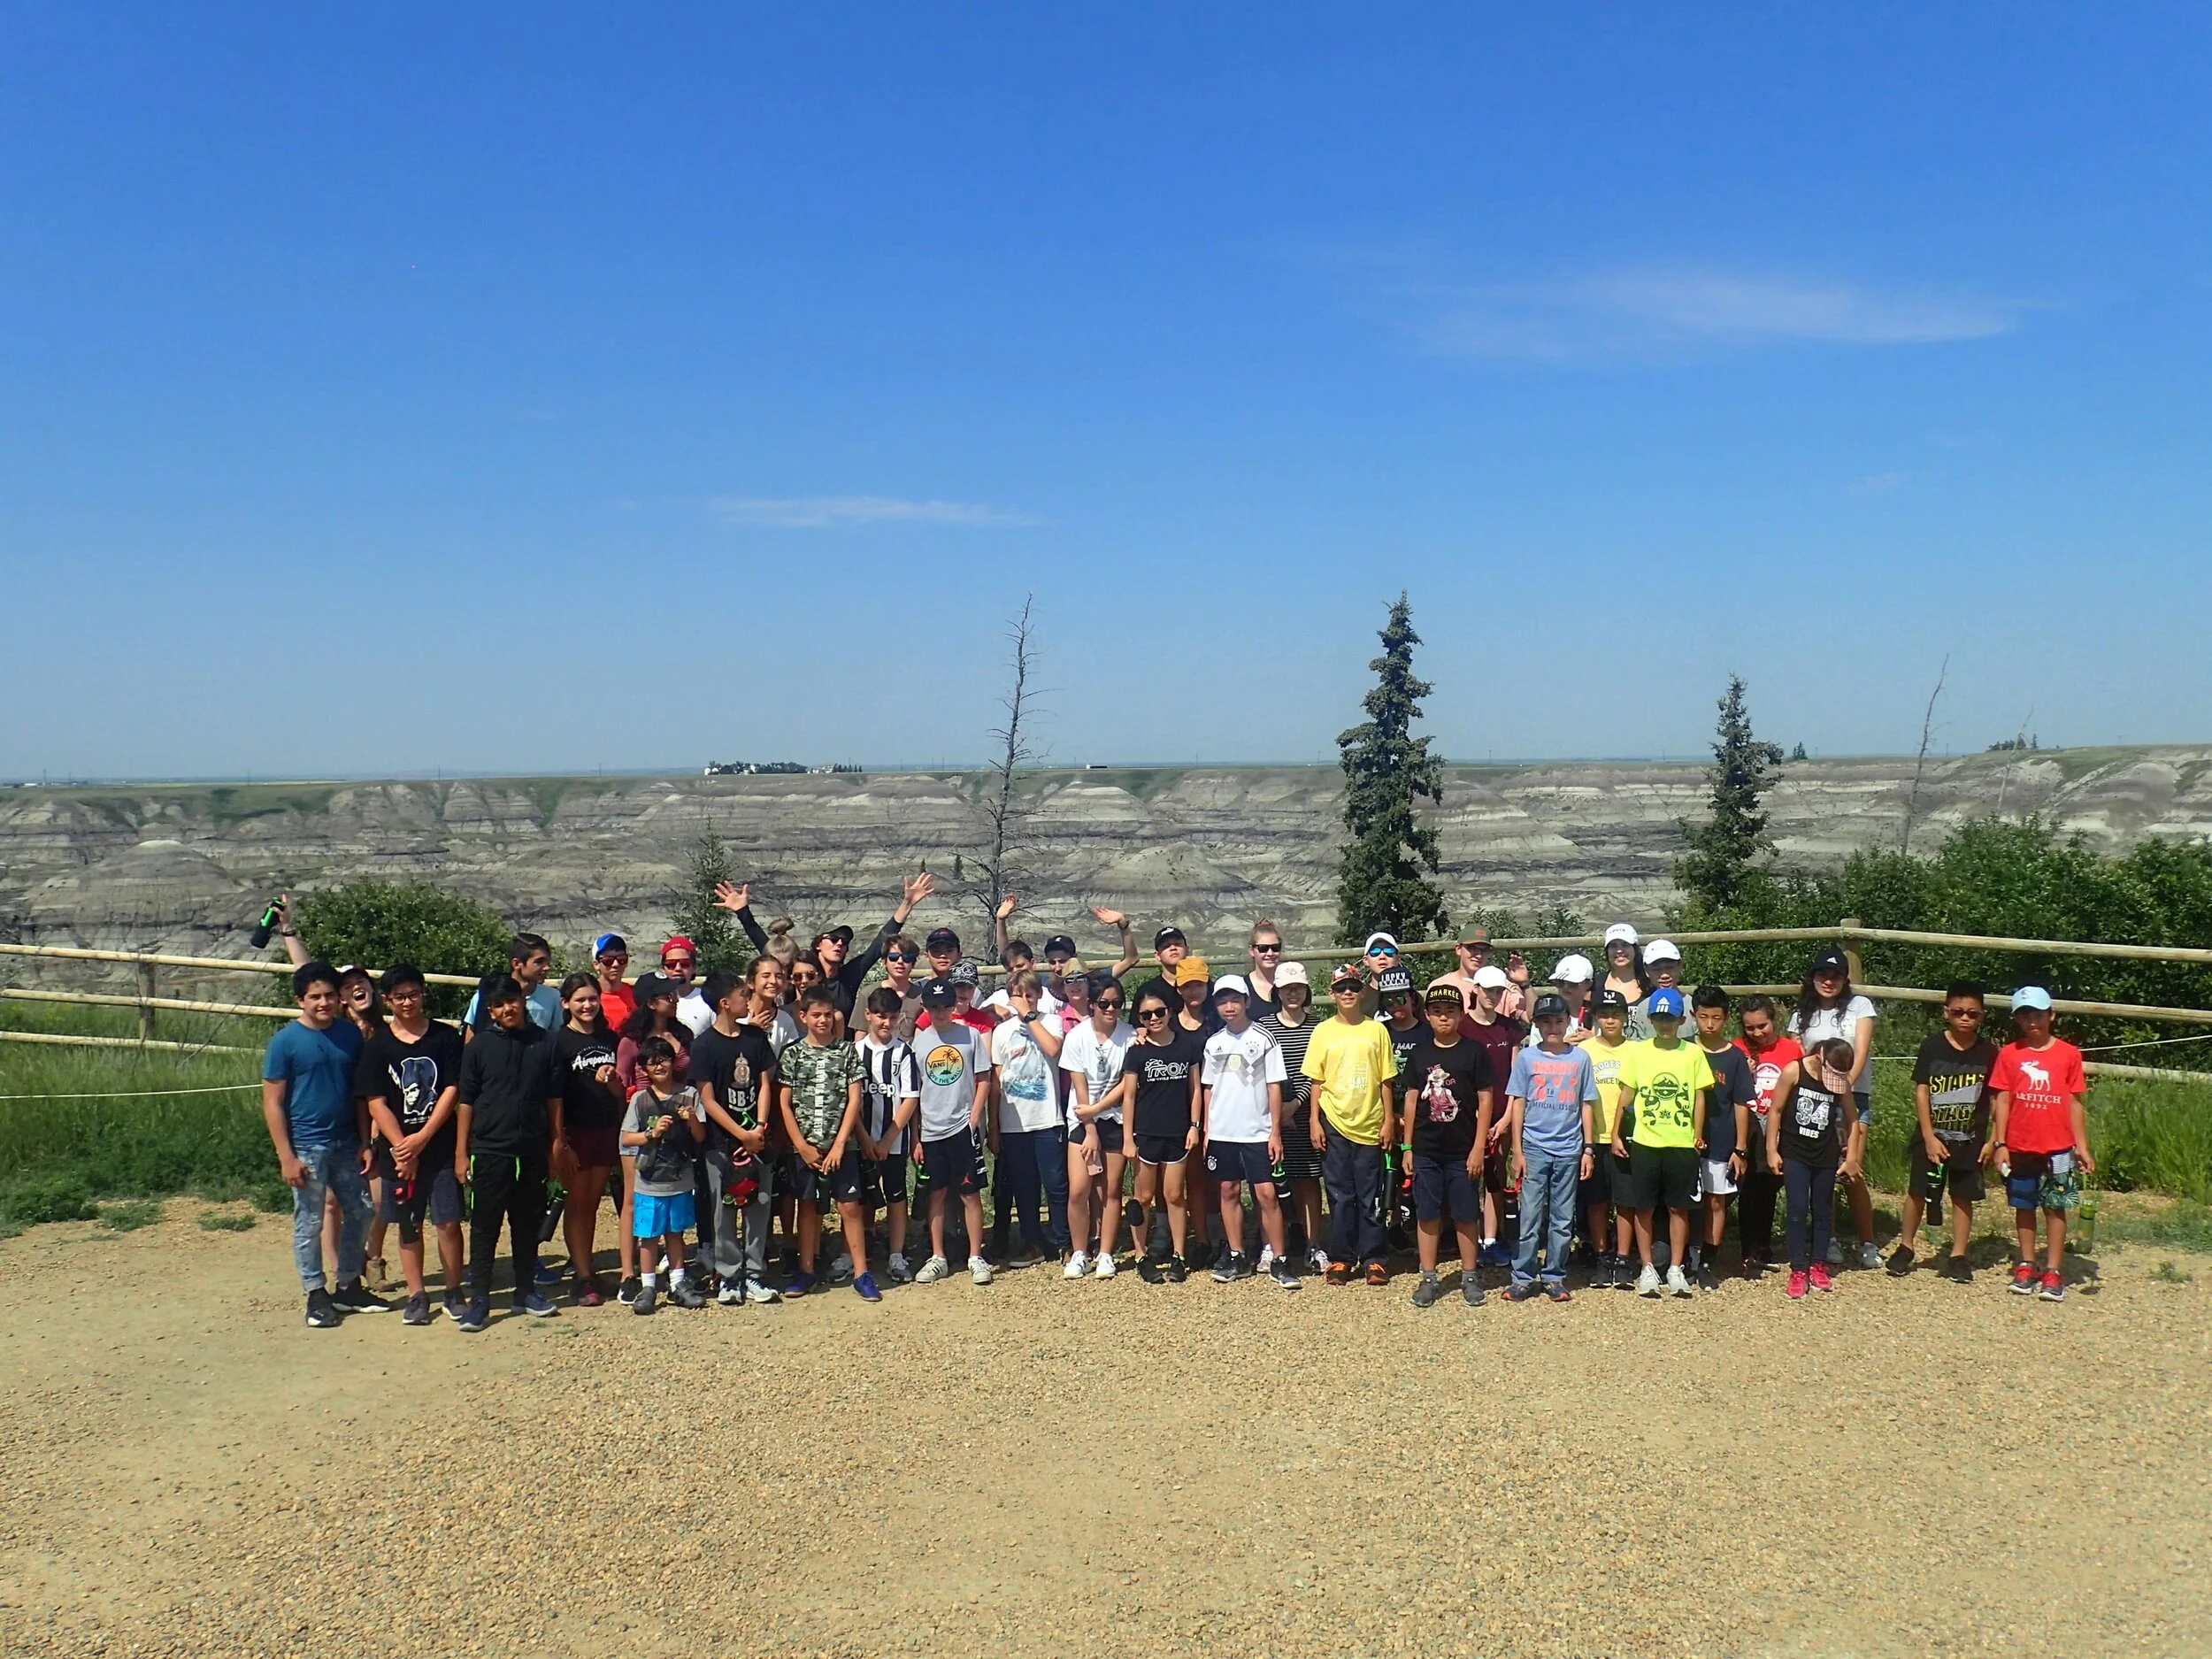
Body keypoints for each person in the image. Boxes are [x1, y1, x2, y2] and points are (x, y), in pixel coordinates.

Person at [262, 961, 382, 1327]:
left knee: (361, 1210)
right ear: (301, 1000)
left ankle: (348, 1284)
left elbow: (361, 1094)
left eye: (330, 995)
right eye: (315, 997)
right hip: (307, 1143)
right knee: (310, 1219)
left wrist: (365, 1140)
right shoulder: (285, 1042)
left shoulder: (349, 1036)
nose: (324, 1002)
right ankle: (315, 1292)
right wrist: (286, 1155)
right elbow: (273, 1101)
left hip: (346, 1139)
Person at [356, 963, 466, 1325]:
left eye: (414, 994)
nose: (408, 1002)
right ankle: (417, 1294)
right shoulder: (377, 1047)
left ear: (423, 993)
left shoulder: (445, 1037)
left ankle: (453, 1288)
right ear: (387, 1000)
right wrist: (403, 1146)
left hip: (440, 1146)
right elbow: (375, 1100)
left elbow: (452, 1089)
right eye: (399, 997)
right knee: (407, 1223)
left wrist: (422, 1138)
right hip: (397, 1150)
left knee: (449, 1221)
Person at [452, 973, 561, 1330]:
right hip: (489, 1149)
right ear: (491, 1011)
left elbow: (554, 1098)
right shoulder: (478, 1048)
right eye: (498, 1005)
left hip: (531, 1148)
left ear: (521, 1001)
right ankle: (480, 1299)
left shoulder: (545, 1043)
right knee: (485, 1227)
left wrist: (557, 1142)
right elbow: (466, 1101)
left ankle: (525, 1290)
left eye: (511, 1000)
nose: (507, 1008)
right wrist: (460, 1151)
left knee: (526, 1223)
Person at [1987, 987, 2093, 1303]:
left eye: (2037, 1014)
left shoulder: (2068, 1054)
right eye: (2024, 1015)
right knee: (2024, 1204)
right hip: (2020, 1145)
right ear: (2017, 1020)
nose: (2031, 1021)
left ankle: (2054, 1270)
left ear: (2051, 1015)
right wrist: (2000, 1142)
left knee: (2056, 1206)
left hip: (2058, 1147)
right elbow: (2002, 1099)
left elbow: (2074, 1102)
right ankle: (2026, 1263)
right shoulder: (2009, 1054)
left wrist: (2082, 1146)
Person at [716, 869, 936, 1018]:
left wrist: (907, 904)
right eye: (833, 938)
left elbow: (880, 940)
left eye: (845, 941)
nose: (840, 943)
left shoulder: (849, 977)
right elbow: (765, 948)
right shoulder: (801, 971)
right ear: (818, 944)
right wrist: (742, 912)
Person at [1892, 982, 1999, 1281]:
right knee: (1917, 1193)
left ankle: (1958, 1254)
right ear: (1946, 1013)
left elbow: (1996, 1097)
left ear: (1982, 1016)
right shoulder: (1932, 1046)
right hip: (1932, 1136)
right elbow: (1922, 1091)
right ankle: (1906, 1246)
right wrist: (1927, 1136)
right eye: (1958, 1012)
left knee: (1962, 1196)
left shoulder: (1989, 1051)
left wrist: (1994, 1139)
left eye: (1972, 1014)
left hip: (1970, 1138)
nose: (1965, 1018)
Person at [776, 986, 877, 1301]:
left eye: (828, 1014)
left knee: (850, 1206)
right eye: (815, 1015)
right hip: (804, 1147)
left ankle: (862, 1272)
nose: (823, 1021)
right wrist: (801, 1146)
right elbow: (784, 1103)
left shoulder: (846, 1051)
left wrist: (840, 1144)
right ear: (803, 1016)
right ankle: (806, 1270)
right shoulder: (792, 1053)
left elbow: (854, 1099)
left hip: (841, 1147)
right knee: (807, 1207)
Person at [1612, 987, 1712, 1298]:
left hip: (1681, 1141)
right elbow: (1626, 1095)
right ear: (1651, 1019)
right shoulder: (1638, 1052)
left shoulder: (1693, 1053)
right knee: (1643, 1207)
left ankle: (1676, 1268)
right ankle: (1646, 1267)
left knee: (1678, 1207)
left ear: (1681, 1019)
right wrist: (1616, 1132)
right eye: (1659, 1018)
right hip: (1645, 1140)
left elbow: (1699, 1096)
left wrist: (1697, 1132)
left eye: (1670, 1018)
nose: (1665, 1024)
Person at [687, 970, 780, 1306]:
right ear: (726, 1003)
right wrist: (740, 1133)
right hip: (720, 1143)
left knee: (759, 1206)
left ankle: (755, 1272)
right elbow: (707, 1099)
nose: (748, 998)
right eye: (743, 994)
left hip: (757, 1136)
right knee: (722, 1210)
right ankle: (729, 1276)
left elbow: (765, 1084)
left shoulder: (755, 1039)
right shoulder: (704, 1046)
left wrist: (759, 1128)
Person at [1201, 975, 1299, 1288]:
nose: (1229, 1007)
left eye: (1235, 1000)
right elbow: (1208, 1088)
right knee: (1228, 1191)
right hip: (1223, 1131)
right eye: (1222, 1001)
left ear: (1246, 1002)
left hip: (1257, 1131)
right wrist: (1206, 1130)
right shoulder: (1214, 1042)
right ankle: (1237, 1255)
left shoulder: (1265, 1038)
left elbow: (1274, 1086)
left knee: (1267, 1195)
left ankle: (1280, 1259)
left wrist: (1274, 1132)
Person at [1305, 962, 1400, 1286]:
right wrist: (1314, 1121)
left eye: (1354, 988)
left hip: (1370, 1121)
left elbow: (1386, 1079)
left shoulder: (1376, 1030)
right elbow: (1316, 1081)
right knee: (1340, 1194)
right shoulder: (1323, 1031)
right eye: (1342, 988)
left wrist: (1389, 1120)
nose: (1348, 993)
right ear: (1332, 994)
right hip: (1334, 1120)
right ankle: (1342, 1257)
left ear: (1362, 993)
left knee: (1370, 1193)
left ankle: (1374, 1257)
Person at [1787, 949, 1881, 1269]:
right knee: (1821, 1171)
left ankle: (1868, 1242)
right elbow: (1798, 1058)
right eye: (1822, 975)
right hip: (1812, 1102)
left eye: (1836, 976)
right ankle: (1826, 1239)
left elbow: (1861, 1053)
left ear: (1845, 979)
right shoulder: (1801, 1014)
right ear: (1812, 978)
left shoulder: (1860, 1007)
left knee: (1851, 1169)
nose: (1828, 982)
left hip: (1852, 1096)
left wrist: (1842, 1092)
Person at [1401, 982, 1493, 1309]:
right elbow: (1411, 1101)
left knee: (1466, 1214)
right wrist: (1407, 1147)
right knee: (1427, 1214)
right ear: (1427, 1015)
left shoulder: (1474, 1052)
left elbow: (1485, 1100)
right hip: (1426, 1149)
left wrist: (1479, 1146)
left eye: (1450, 1011)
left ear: (1461, 1014)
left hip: (1462, 1150)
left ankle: (1470, 1274)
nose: (1443, 1018)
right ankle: (1428, 1276)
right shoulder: (1420, 1054)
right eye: (1437, 1012)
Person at [1504, 992, 1597, 1303]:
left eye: (1559, 1021)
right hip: (1533, 1146)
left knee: (1562, 1217)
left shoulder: (1580, 1058)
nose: (1553, 1027)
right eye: (1546, 1022)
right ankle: (1523, 1276)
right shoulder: (1528, 1057)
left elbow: (1586, 1104)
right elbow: (1518, 1103)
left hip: (1569, 1147)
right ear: (1537, 1025)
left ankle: (1555, 1274)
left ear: (1568, 1021)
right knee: (1529, 1214)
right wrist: (1516, 1150)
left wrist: (1588, 1148)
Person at [910, 976, 995, 1286]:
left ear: (955, 1005)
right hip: (932, 1130)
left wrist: (973, 1120)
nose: (941, 1012)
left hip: (962, 1126)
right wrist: (916, 1136)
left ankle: (976, 1255)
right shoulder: (919, 1042)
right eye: (934, 1007)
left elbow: (984, 1078)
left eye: (946, 1005)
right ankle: (938, 1256)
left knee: (970, 1193)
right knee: (936, 1193)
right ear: (925, 1007)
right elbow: (914, 1092)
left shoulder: (970, 1036)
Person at [987, 970, 1071, 1269]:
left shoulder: (1052, 1022)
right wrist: (993, 1125)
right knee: (1024, 1186)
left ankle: (1064, 1243)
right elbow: (996, 1080)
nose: (1025, 1000)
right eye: (1018, 995)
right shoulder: (1001, 1032)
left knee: (1056, 1184)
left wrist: (1029, 1017)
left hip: (1047, 1118)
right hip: (1014, 1122)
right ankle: (1032, 1242)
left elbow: (1052, 1049)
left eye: (1029, 994)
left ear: (1037, 995)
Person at [1121, 984, 1204, 1282]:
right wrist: (1128, 1138)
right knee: (1142, 1197)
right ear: (1140, 1019)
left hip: (1178, 1131)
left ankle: (1179, 1255)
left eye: (1159, 1012)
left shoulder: (1187, 1046)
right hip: (1145, 1133)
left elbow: (1195, 1090)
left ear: (1169, 1011)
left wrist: (1195, 1126)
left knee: (1174, 1195)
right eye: (1146, 1015)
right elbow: (1129, 1097)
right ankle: (1141, 1254)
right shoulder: (1136, 1052)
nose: (1154, 1018)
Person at [550, 972, 625, 1306]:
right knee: (577, 1202)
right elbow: (553, 1096)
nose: (587, 1005)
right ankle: (582, 1277)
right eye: (580, 999)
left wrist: (609, 1081)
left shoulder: (610, 1039)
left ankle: (587, 1267)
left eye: (592, 998)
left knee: (593, 1202)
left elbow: (620, 1092)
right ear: (566, 1003)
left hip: (605, 1127)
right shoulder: (559, 1042)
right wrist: (558, 1140)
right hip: (575, 1131)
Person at [618, 1037, 706, 1315]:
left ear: (673, 1062)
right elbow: (626, 1137)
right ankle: (648, 1286)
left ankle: (678, 1283)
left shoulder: (690, 1094)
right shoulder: (640, 1100)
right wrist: (651, 1133)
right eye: (652, 1062)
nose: (659, 1066)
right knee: (648, 1236)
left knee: (675, 1233)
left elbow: (700, 1135)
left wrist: (690, 1117)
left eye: (664, 1060)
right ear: (644, 1069)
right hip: (649, 1181)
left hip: (680, 1179)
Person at [1768, 1038, 1858, 1300]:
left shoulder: (1840, 1082)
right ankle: (1797, 1269)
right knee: (1796, 1208)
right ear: (1820, 1057)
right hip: (1795, 1151)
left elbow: (1853, 1119)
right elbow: (1776, 1110)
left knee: (1822, 1210)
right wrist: (1771, 1150)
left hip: (1825, 1153)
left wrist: (1851, 1156)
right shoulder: (1794, 1071)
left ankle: (1818, 1264)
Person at [1062, 972, 1134, 1278]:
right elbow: (1080, 1088)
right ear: (1092, 1004)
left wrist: (1099, 1108)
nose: (1110, 1009)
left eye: (1117, 1003)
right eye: (1104, 1003)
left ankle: (1106, 1252)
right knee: (1079, 1189)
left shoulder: (1130, 1036)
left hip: (1115, 1117)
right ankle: (1080, 1252)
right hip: (1082, 1119)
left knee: (1111, 1190)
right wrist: (1090, 1127)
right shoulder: (1077, 1037)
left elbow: (1126, 1084)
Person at [1260, 963, 1327, 1275]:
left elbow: (1315, 1073)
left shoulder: (1318, 1028)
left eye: (1298, 987)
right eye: (1287, 988)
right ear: (1277, 992)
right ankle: (1270, 1246)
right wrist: (1278, 1112)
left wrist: (1293, 1106)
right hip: (1268, 1116)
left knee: (1308, 1180)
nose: (1293, 993)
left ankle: (1314, 1244)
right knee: (1268, 1183)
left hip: (1305, 1115)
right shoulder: (1262, 1027)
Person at [1462, 964, 1530, 1269]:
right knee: (1465, 1180)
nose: (1492, 995)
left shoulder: (1509, 1029)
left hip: (1502, 1115)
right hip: (1467, 1116)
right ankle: (1468, 1239)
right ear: (1475, 989)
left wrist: (1506, 1120)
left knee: (1495, 1179)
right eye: (1487, 989)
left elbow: (1517, 1077)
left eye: (1498, 990)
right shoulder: (1461, 1027)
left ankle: (1490, 1239)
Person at [853, 985, 921, 1284]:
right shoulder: (854, 1052)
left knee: (896, 1196)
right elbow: (850, 1101)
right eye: (880, 1016)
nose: (886, 1023)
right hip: (859, 1139)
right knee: (855, 1198)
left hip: (892, 1141)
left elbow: (909, 1099)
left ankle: (896, 1253)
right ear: (868, 1015)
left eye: (892, 1017)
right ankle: (850, 1253)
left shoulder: (904, 1053)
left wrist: (886, 1139)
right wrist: (866, 1140)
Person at [1688, 986, 1755, 1289]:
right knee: (1685, 1201)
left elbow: (1742, 1104)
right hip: (1682, 1140)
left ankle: (1707, 1261)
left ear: (1726, 1018)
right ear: (1693, 1016)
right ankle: (1683, 1257)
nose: (1710, 1024)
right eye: (1704, 1017)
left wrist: (1740, 1149)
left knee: (1716, 1201)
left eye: (1716, 1017)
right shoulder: (1683, 1049)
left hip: (1722, 1141)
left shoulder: (1735, 1058)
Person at [1732, 995, 1800, 1279]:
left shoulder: (1791, 1049)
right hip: (1747, 1124)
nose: (1758, 1033)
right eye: (1750, 1028)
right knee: (1747, 1188)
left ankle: (1764, 1243)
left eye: (1763, 1026)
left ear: (1774, 1021)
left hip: (1779, 1124)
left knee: (1770, 1186)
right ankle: (1748, 1247)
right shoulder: (1737, 1048)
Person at [1578, 988, 1637, 1290]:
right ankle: (1602, 1256)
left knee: (1626, 1202)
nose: (1610, 1020)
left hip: (1627, 1136)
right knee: (1597, 1202)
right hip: (1593, 1136)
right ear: (1595, 1017)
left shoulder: (1638, 1050)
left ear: (1626, 1017)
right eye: (1604, 1014)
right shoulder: (1584, 1050)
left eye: (1616, 1014)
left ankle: (1623, 1258)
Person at [462, 934, 559, 1034]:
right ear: (516, 964)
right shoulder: (485, 995)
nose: (547, 967)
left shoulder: (553, 997)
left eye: (548, 962)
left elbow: (557, 1037)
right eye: (539, 962)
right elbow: (471, 1039)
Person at [616, 974, 693, 1094]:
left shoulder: (683, 1035)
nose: (676, 1000)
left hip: (683, 1107)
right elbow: (622, 1085)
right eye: (669, 996)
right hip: (646, 1109)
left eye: (675, 994)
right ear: (651, 1003)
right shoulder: (632, 1042)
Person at [1431, 927, 1527, 1021]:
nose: (1479, 955)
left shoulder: (1503, 986)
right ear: (1459, 949)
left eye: (1485, 950)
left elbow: (1532, 1018)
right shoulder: (1439, 986)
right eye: (1472, 948)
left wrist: (1526, 985)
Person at [1629, 940, 1685, 1043]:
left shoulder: (1694, 1006)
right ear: (1646, 971)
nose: (1664, 975)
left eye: (1670, 967)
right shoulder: (1642, 1008)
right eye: (1656, 969)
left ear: (1680, 966)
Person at [1599, 923, 1650, 1028]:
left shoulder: (1650, 985)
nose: (1619, 950)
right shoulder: (1596, 984)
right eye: (1613, 946)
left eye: (1625, 945)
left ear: (1635, 949)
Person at [591, 934, 636, 1033]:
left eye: (621, 959)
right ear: (596, 964)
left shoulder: (636, 993)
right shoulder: (589, 998)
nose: (616, 965)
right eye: (608, 961)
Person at [1241, 920, 1286, 1018]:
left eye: (1275, 947)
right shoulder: (1242, 987)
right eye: (1263, 948)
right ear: (1251, 951)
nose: (1270, 953)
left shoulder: (1291, 983)